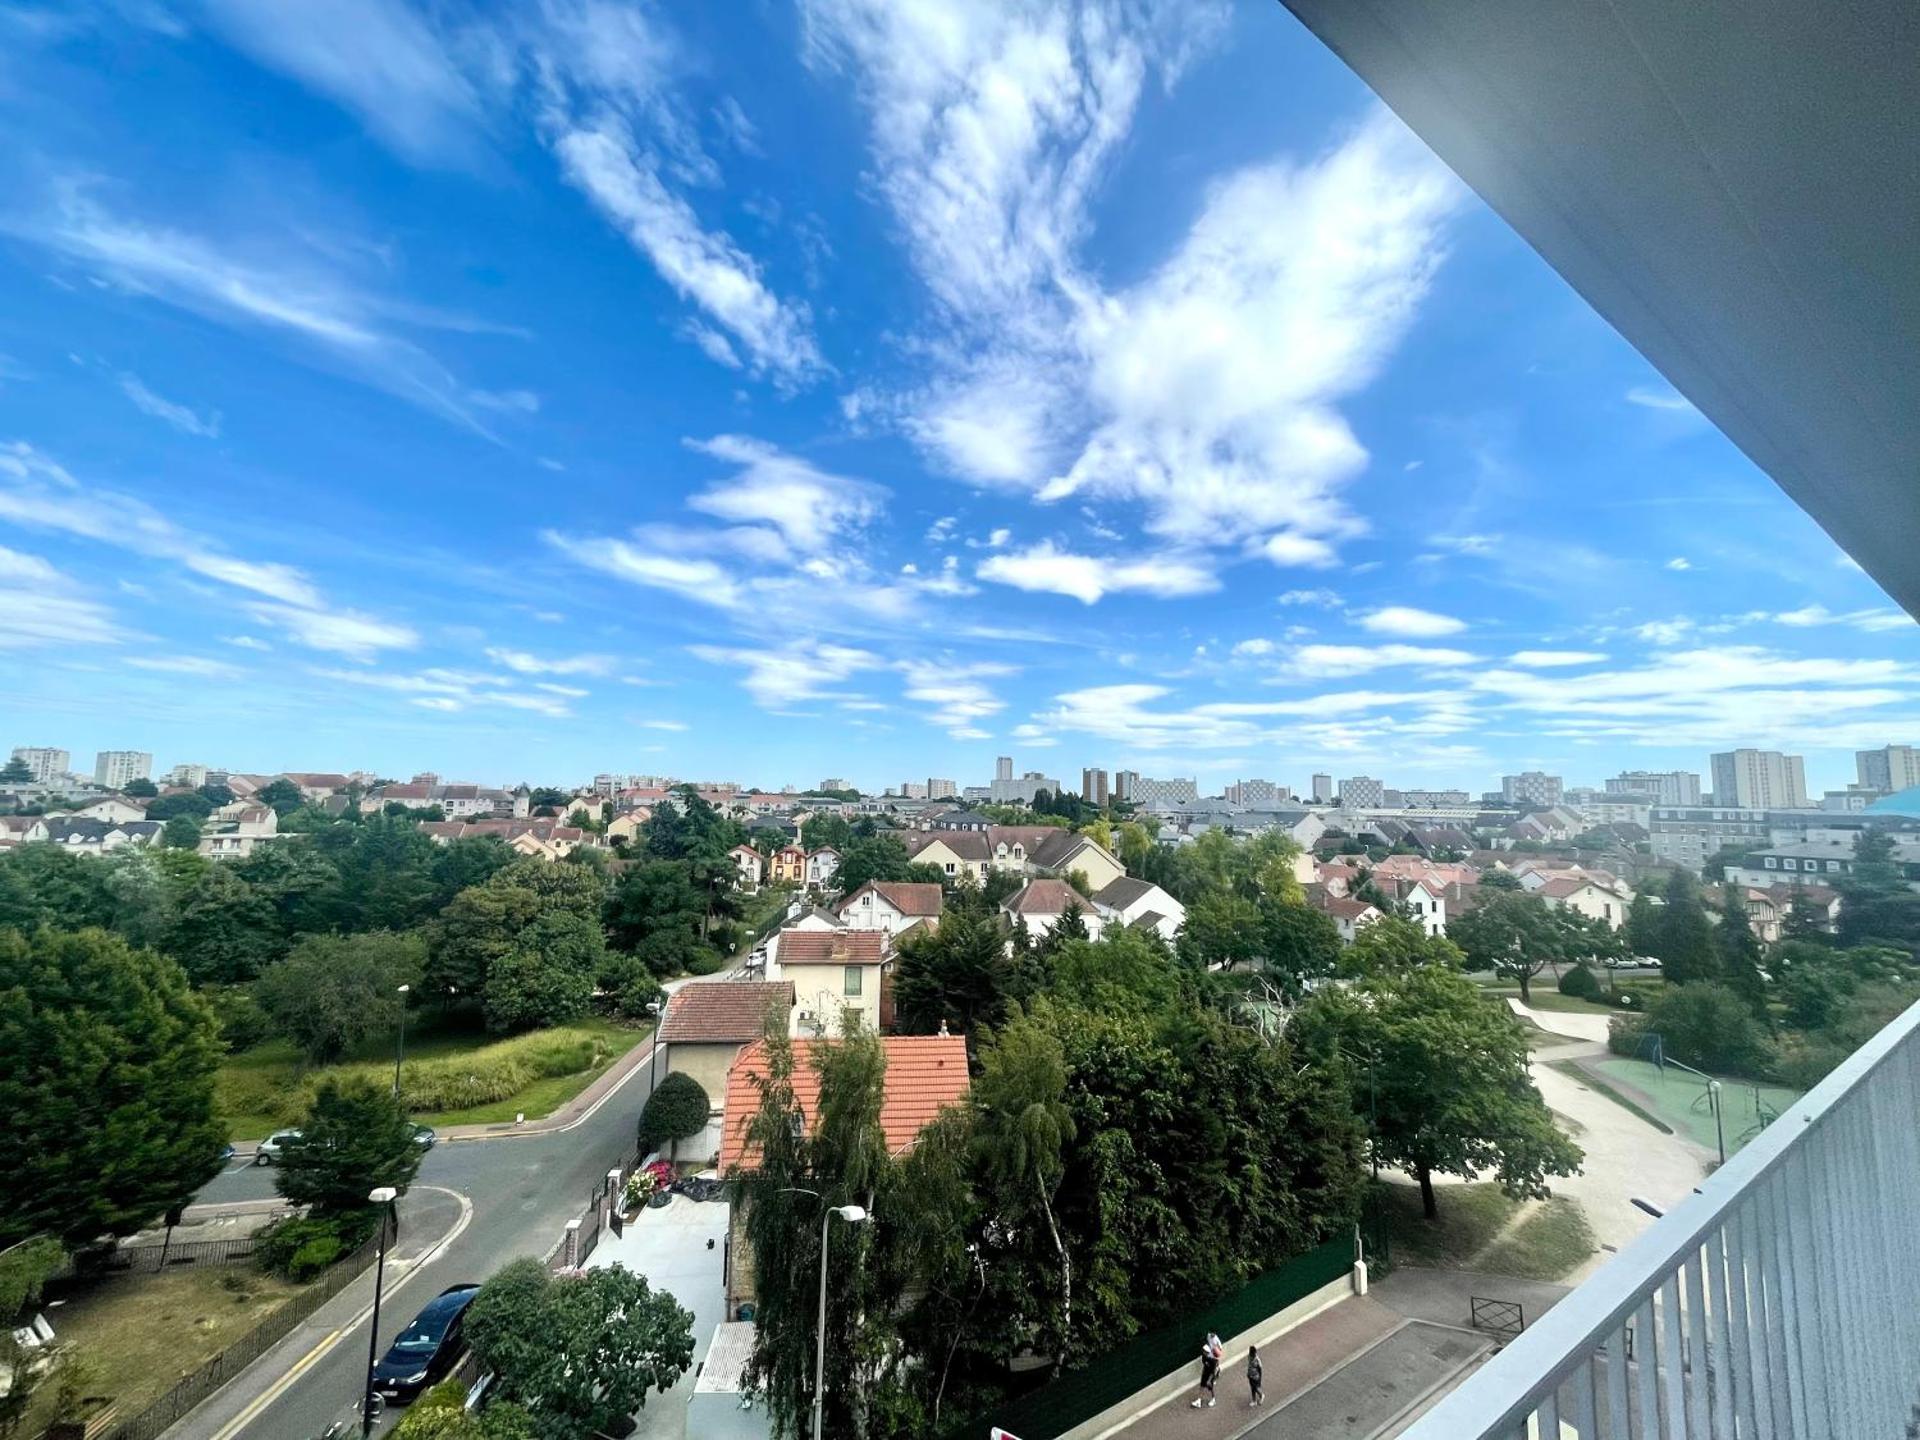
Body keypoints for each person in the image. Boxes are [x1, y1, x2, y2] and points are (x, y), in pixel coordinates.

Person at [1190, 1334, 1220, 1408]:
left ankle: (1213, 1399)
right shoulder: (1204, 1357)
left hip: (1211, 1374)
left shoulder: (1213, 1360)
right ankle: (1199, 1401)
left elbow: (1214, 1371)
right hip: (1206, 1373)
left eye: (1204, 1351)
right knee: (1202, 1386)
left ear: (1207, 1352)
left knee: (1210, 1387)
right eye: (1203, 1351)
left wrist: (1210, 1380)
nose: (1203, 1352)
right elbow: (1204, 1363)